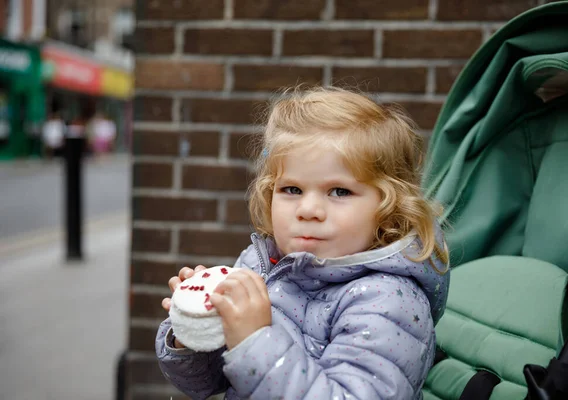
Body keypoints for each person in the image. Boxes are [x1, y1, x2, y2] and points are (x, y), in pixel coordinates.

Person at [156, 86, 450, 400]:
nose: (308, 210)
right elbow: (206, 383)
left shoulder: (388, 302)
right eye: (292, 190)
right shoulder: (261, 266)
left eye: (339, 191)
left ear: (389, 210)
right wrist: (195, 333)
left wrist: (254, 340)